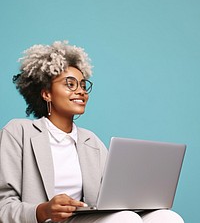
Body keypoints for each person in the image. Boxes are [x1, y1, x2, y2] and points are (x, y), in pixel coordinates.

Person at [0, 41, 184, 223]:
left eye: (82, 85)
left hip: (82, 218)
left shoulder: (91, 141)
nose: (80, 91)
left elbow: (110, 198)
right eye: (70, 84)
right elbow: (3, 205)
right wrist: (43, 210)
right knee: (125, 220)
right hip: (47, 221)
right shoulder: (19, 132)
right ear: (46, 93)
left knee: (167, 217)